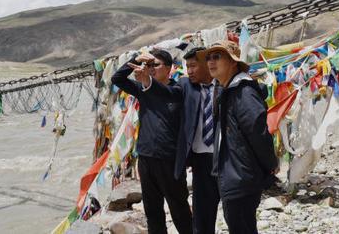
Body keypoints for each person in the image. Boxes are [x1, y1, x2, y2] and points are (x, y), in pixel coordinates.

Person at [111, 49, 193, 234]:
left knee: (178, 207)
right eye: (147, 65)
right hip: (146, 157)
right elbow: (117, 79)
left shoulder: (179, 90)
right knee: (152, 209)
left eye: (154, 65)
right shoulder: (142, 88)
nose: (150, 69)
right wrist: (135, 59)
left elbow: (165, 93)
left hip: (169, 159)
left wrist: (147, 81)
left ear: (169, 68)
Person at [200, 41, 278, 234]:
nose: (211, 62)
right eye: (208, 57)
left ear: (233, 62)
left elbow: (258, 133)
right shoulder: (228, 90)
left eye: (217, 56)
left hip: (241, 176)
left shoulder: (243, 92)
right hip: (233, 174)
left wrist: (270, 166)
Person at [174, 47, 220, 234]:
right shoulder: (185, 86)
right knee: (202, 213)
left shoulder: (225, 84)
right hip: (201, 161)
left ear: (206, 64)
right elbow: (165, 93)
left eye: (193, 66)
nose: (189, 71)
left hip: (225, 158)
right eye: (187, 67)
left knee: (236, 211)